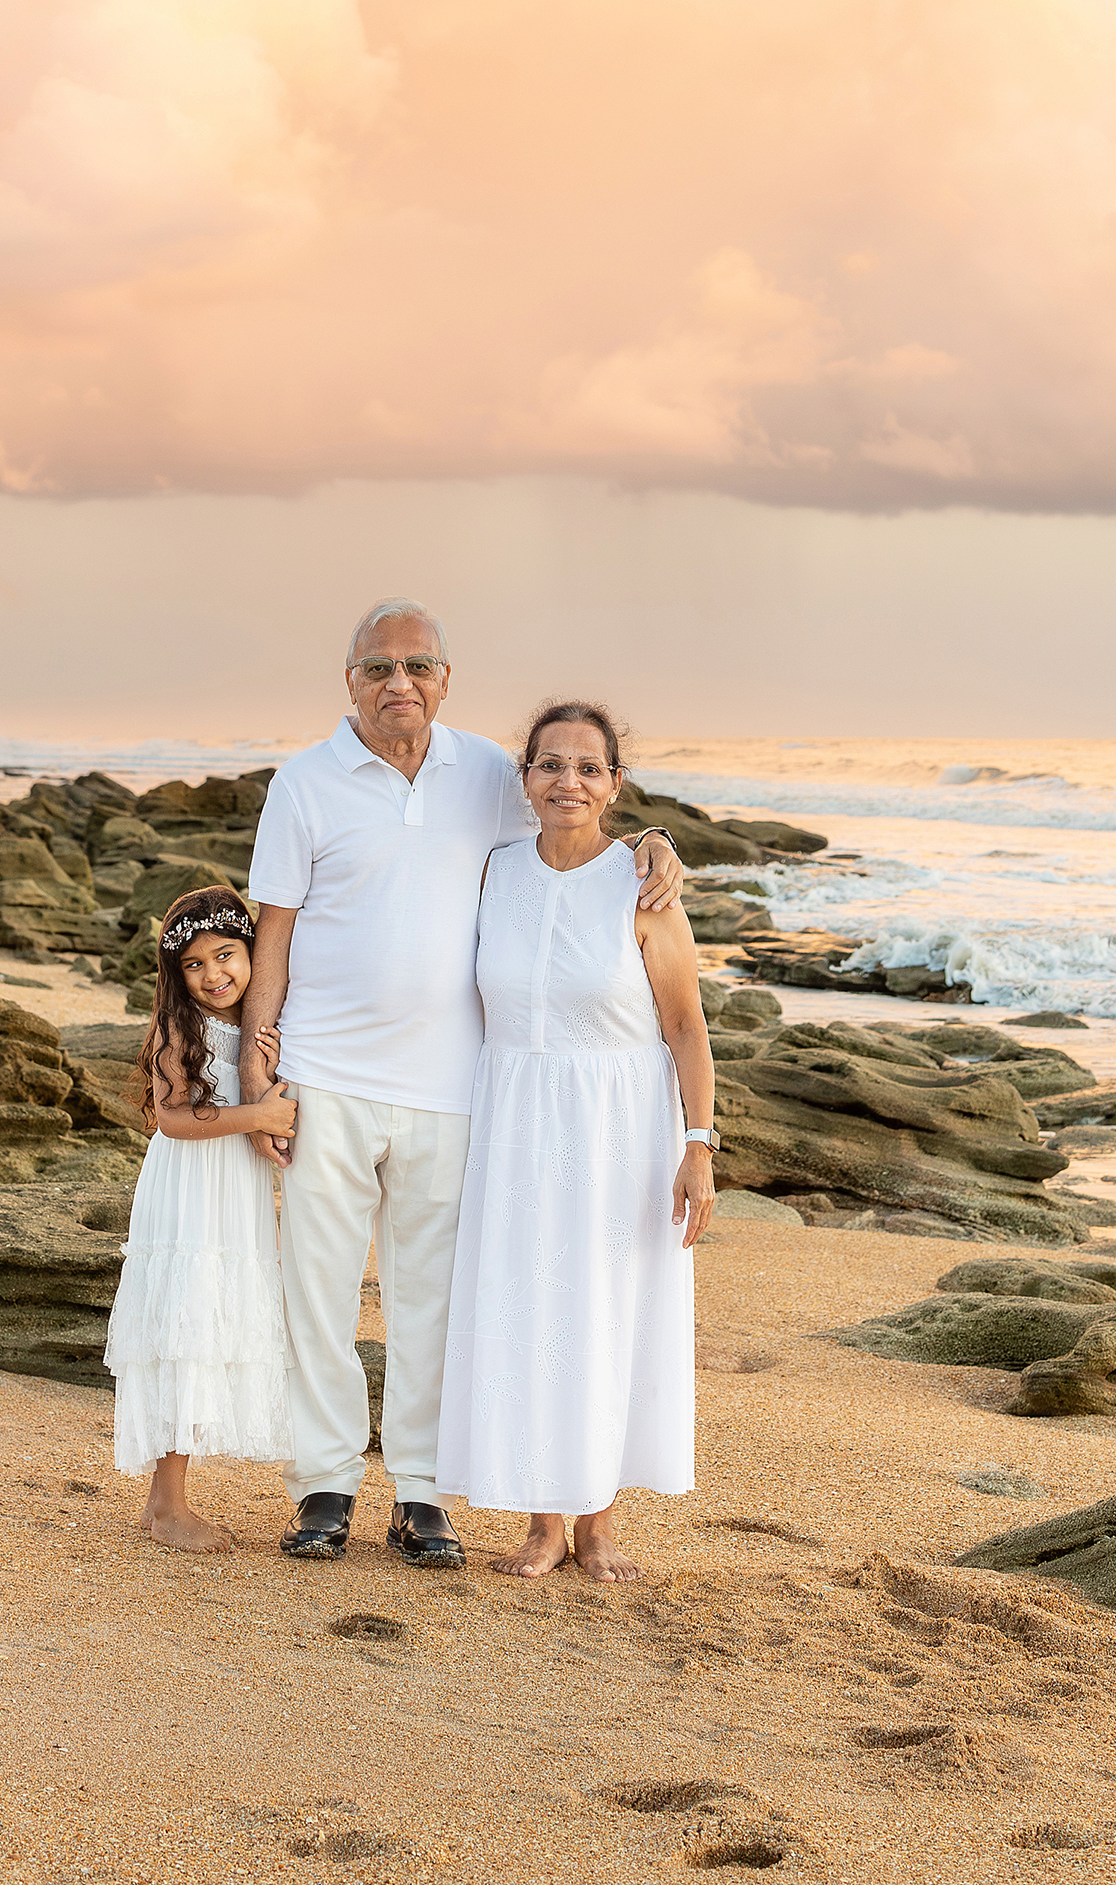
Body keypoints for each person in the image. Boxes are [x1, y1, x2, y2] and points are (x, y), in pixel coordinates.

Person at [240, 600, 683, 1568]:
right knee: (315, 1291)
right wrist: (256, 1058)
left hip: (453, 1086)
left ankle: (421, 1493)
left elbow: (575, 820)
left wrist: (655, 843)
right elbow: (272, 926)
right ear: (347, 679)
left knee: (434, 1299)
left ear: (446, 679)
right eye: (377, 668)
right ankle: (322, 1484)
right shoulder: (304, 782)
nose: (398, 683)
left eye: (418, 665)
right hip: (323, 1073)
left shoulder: (486, 769)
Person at [435, 700, 715, 1582]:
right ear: (523, 779)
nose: (568, 783)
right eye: (550, 765)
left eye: (588, 768)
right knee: (527, 1313)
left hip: (620, 1129)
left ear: (614, 785)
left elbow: (685, 1025)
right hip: (514, 1119)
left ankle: (595, 1525)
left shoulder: (642, 886)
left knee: (603, 1318)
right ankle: (541, 1524)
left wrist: (699, 1146)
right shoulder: (492, 870)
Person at [104, 885, 300, 1552]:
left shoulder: (264, 1023)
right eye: (194, 964)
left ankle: (168, 1500)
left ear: (253, 953)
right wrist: (259, 1117)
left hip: (234, 1188)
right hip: (189, 1185)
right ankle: (166, 1505)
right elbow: (173, 1117)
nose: (213, 975)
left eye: (225, 955)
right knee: (184, 1325)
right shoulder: (177, 1025)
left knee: (213, 1325)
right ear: (174, 973)